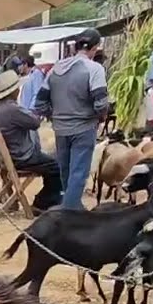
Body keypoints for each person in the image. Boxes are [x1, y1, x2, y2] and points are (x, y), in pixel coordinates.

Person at [35, 28, 108, 210]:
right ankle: (68, 214)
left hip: (60, 129)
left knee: (66, 173)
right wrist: (98, 116)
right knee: (78, 173)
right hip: (83, 128)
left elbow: (40, 103)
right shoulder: (94, 69)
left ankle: (73, 207)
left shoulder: (55, 70)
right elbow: (101, 104)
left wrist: (56, 115)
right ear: (95, 48)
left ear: (75, 46)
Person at [0, 70, 62, 212]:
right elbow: (34, 123)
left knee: (51, 162)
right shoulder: (12, 109)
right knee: (57, 166)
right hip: (21, 157)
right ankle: (42, 203)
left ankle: (45, 201)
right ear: (13, 91)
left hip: (6, 157)